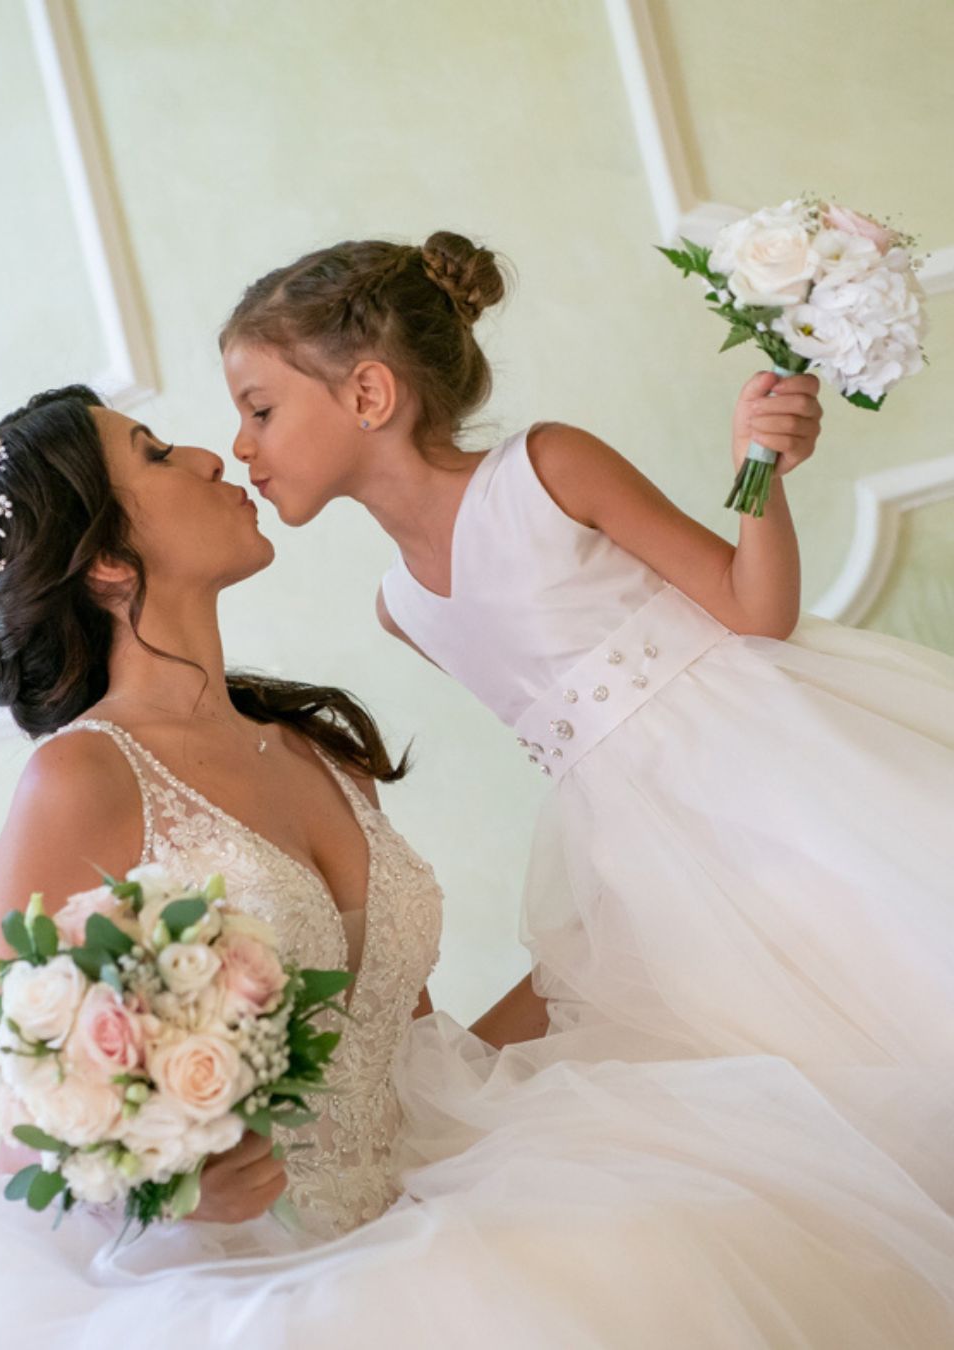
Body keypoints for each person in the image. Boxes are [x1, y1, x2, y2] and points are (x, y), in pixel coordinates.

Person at [0, 384, 954, 1348]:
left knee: (715, 1209)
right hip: (254, 1280)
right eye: (157, 455)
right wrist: (172, 1188)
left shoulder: (312, 747)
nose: (210, 457)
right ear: (107, 563)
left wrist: (644, 931)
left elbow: (412, 1052)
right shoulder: (81, 783)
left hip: (432, 1191)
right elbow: (34, 1145)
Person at [219, 231, 954, 1206]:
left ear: (367, 395)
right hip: (643, 852)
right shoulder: (405, 607)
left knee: (891, 1003)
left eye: (260, 409)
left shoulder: (545, 467)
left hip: (769, 777)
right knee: (751, 1101)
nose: (241, 446)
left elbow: (751, 612)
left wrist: (758, 472)